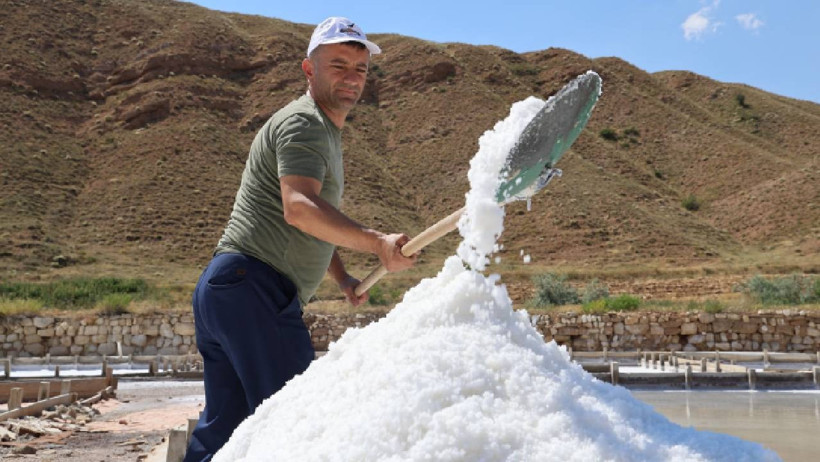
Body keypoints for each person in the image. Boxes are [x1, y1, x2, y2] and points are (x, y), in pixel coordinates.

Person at [184, 17, 417, 461]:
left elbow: (308, 218)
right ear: (309, 70)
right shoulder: (305, 123)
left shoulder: (321, 130)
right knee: (298, 425)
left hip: (228, 290)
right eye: (339, 65)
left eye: (360, 69)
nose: (352, 77)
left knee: (225, 435)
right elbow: (299, 209)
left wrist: (343, 277)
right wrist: (377, 244)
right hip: (254, 289)